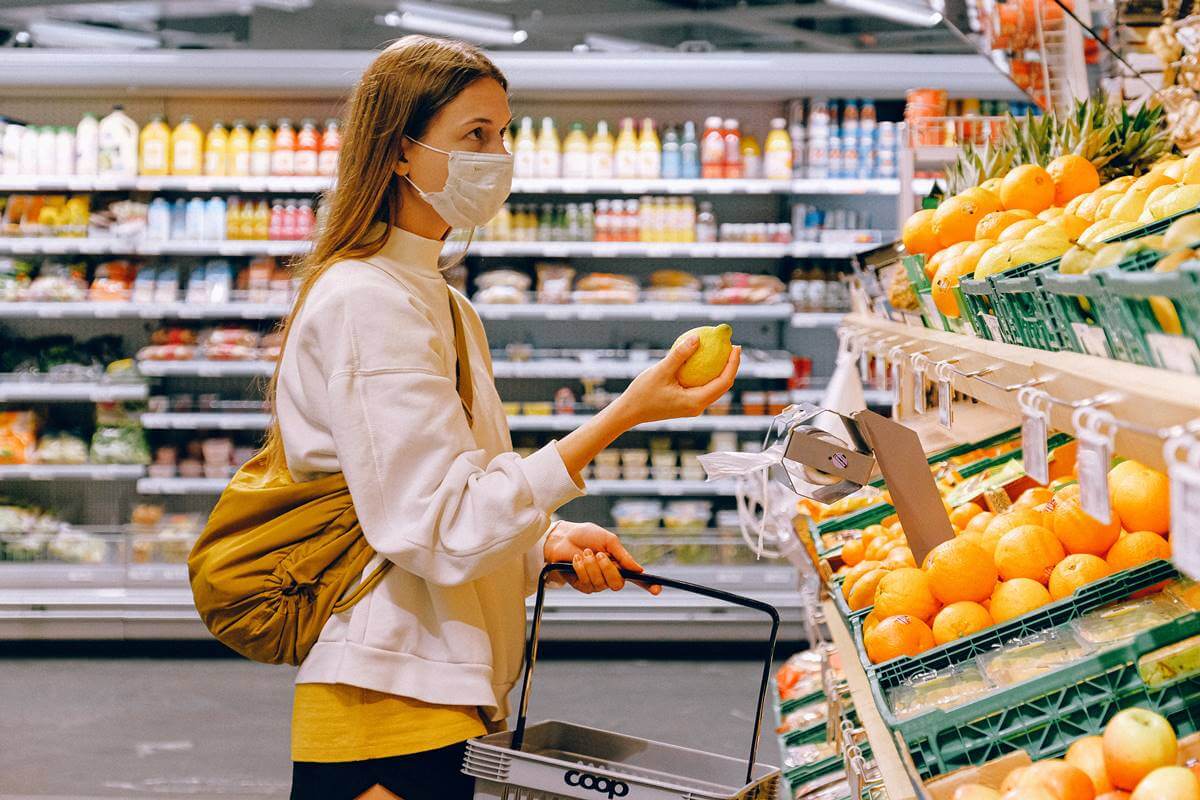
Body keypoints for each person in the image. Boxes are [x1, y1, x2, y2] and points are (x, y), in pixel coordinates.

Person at [269, 35, 740, 800]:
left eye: (504, 133)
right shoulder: (368, 302)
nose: (498, 155)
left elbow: (448, 499)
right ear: (398, 152)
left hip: (441, 690)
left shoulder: (440, 302)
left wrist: (539, 544)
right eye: (474, 136)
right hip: (387, 699)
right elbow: (436, 525)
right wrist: (624, 414)